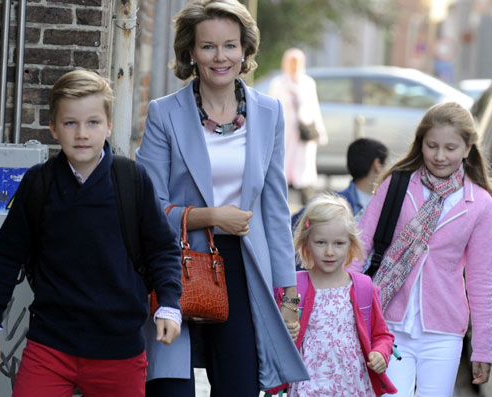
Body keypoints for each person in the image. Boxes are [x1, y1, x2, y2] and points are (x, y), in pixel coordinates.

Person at [135, 0, 309, 395]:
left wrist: (290, 293)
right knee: (170, 388)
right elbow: (146, 207)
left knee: (239, 387)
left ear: (245, 50)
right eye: (208, 46)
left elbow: (275, 209)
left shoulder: (269, 112)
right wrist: (209, 216)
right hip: (175, 265)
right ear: (191, 53)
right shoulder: (164, 113)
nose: (220, 57)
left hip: (243, 268)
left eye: (230, 45)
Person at [0, 70, 183, 397]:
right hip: (50, 346)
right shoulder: (38, 184)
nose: (82, 133)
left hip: (119, 348)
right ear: (54, 128)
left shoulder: (132, 180)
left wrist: (169, 304)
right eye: (70, 123)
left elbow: (163, 249)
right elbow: (6, 256)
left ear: (109, 126)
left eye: (93, 123)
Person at [349, 102, 492, 396]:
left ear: (468, 148)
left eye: (450, 147)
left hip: (443, 332)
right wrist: (343, 303)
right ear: (421, 143)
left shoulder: (480, 204)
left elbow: (480, 281)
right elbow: (360, 244)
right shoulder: (397, 185)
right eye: (432, 145)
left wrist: (482, 348)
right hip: (387, 324)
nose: (440, 155)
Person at [287, 193, 397, 396]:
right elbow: (275, 333)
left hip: (352, 387)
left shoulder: (363, 287)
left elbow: (382, 335)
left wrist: (380, 354)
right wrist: (286, 331)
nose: (330, 252)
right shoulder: (294, 287)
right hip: (308, 387)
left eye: (339, 243)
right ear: (306, 243)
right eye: (321, 242)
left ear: (351, 245)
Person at [268, 48, 327, 205]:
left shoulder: (308, 83)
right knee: (283, 168)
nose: (294, 65)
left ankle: (306, 207)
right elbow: (272, 109)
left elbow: (314, 108)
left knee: (304, 172)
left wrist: (320, 131)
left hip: (304, 132)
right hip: (285, 132)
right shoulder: (278, 83)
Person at [338, 138, 389, 217]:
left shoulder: (336, 202)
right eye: (387, 165)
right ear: (377, 164)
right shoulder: (386, 203)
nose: (389, 171)